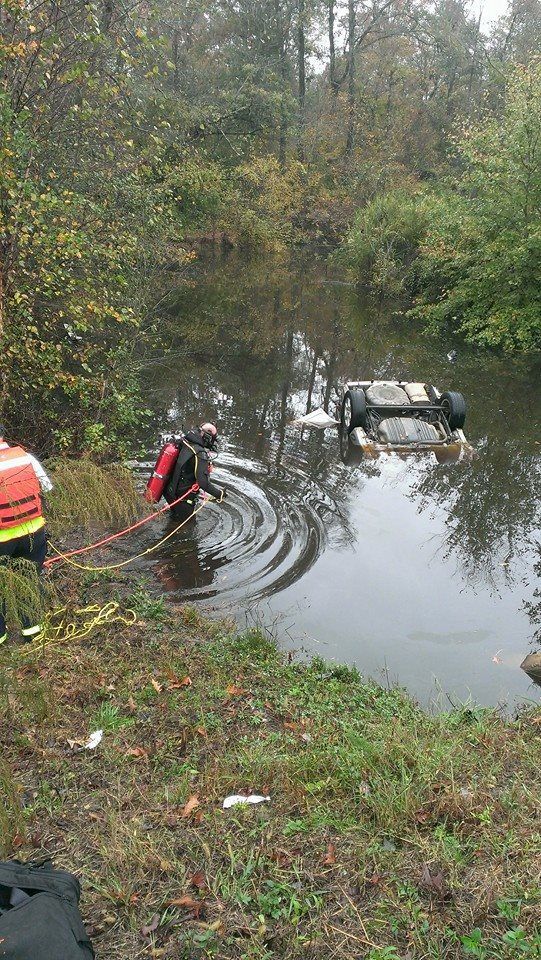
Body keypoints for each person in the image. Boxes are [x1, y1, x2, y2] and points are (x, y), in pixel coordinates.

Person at [0, 426, 53, 644]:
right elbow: (46, 487)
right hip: (33, 534)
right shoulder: (25, 457)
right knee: (30, 580)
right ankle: (33, 632)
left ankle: (1, 638)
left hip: (2, 539)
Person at [164, 422, 225, 520]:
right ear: (207, 436)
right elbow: (203, 483)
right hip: (182, 498)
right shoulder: (199, 453)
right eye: (213, 438)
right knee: (188, 526)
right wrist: (220, 494)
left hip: (169, 491)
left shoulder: (185, 441)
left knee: (175, 518)